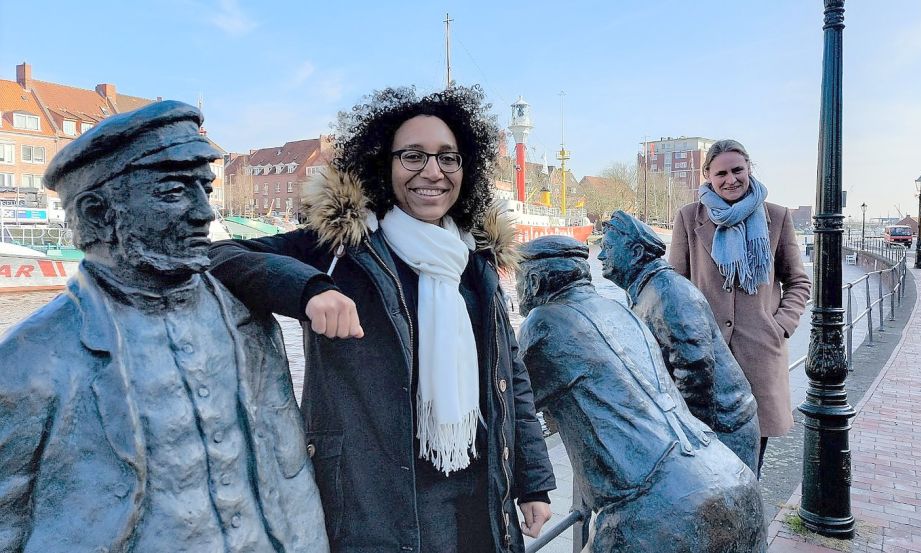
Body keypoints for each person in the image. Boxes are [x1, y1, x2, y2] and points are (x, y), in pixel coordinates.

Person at [209, 85, 555, 552]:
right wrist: (310, 289)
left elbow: (509, 374)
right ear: (384, 163)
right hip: (375, 498)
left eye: (447, 158)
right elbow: (219, 256)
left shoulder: (475, 258)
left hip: (479, 493)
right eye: (412, 156)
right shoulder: (341, 245)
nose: (432, 171)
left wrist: (532, 482)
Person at [0, 101, 327, 552]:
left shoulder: (247, 320)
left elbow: (290, 474)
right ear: (98, 214)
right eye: (174, 192)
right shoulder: (29, 359)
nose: (204, 214)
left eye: (205, 191)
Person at [516, 235, 766, 553]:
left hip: (658, 508)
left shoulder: (544, 323)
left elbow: (509, 408)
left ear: (535, 280)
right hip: (730, 477)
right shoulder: (623, 311)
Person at [669, 139, 811, 474]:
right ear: (707, 176)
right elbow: (673, 287)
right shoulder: (690, 218)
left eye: (737, 170)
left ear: (749, 170)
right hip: (704, 363)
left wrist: (779, 326)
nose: (730, 179)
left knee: (748, 471)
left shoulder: (775, 217)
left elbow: (799, 282)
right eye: (721, 173)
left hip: (758, 359)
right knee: (702, 470)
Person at [598, 210, 760, 472]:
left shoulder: (668, 293)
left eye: (607, 248)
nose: (602, 256)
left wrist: (695, 447)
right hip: (707, 426)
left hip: (722, 429)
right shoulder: (645, 290)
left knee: (728, 509)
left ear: (637, 253)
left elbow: (695, 374)